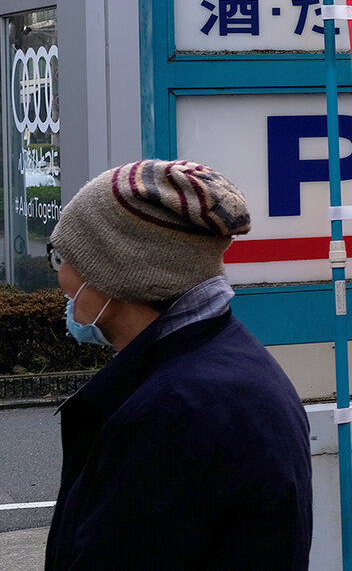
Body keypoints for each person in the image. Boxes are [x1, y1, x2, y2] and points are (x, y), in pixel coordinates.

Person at [45, 159, 313, 570]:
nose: (61, 275)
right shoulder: (225, 367)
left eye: (66, 257)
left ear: (119, 275)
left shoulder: (173, 414)